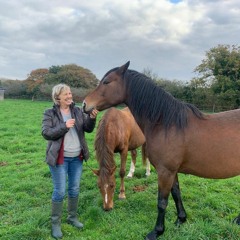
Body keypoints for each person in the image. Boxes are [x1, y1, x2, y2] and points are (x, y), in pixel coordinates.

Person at [42, 83, 98, 239]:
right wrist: (64, 126)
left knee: (74, 189)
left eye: (70, 93)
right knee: (59, 191)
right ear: (57, 97)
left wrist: (92, 119)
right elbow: (46, 133)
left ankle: (72, 217)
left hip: (76, 158)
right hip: (59, 158)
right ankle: (55, 223)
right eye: (66, 94)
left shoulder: (78, 111)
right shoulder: (49, 113)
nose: (69, 96)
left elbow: (87, 128)